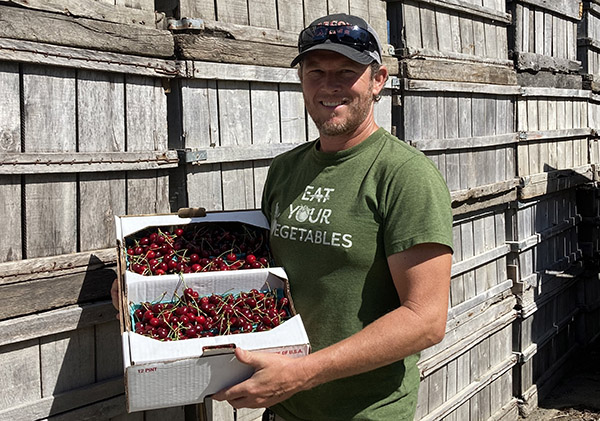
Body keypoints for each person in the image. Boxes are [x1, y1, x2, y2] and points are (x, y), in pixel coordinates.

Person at [211, 13, 454, 421]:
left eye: (346, 71)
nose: (329, 86)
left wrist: (302, 374)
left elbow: (425, 320)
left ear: (379, 80)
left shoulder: (404, 175)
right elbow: (264, 275)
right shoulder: (285, 169)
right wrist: (144, 289)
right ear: (301, 80)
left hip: (365, 412)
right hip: (284, 408)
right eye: (316, 71)